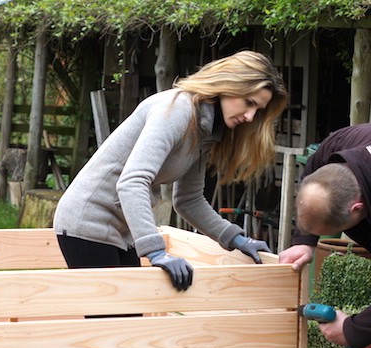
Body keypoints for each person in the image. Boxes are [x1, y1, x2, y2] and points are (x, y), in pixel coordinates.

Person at [53, 50, 288, 291]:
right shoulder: (178, 109)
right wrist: (156, 251)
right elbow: (132, 181)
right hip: (88, 223)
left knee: (128, 320)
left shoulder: (205, 128)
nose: (250, 116)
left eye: (257, 110)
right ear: (228, 84)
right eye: (249, 102)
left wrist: (235, 237)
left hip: (122, 231)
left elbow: (189, 200)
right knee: (114, 323)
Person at [278, 123, 371, 348]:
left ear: (356, 208)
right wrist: (304, 241)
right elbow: (313, 171)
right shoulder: (339, 145)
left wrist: (353, 330)